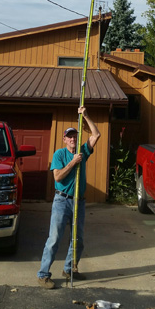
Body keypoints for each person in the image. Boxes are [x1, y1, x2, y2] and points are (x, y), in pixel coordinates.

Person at [37, 106, 101, 289]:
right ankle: (43, 275)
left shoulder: (83, 151)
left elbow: (96, 135)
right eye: (69, 137)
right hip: (62, 201)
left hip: (79, 202)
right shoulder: (60, 154)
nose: (73, 139)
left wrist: (86, 115)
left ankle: (69, 269)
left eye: (75, 136)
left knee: (78, 240)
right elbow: (57, 177)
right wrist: (73, 162)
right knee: (55, 238)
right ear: (64, 139)